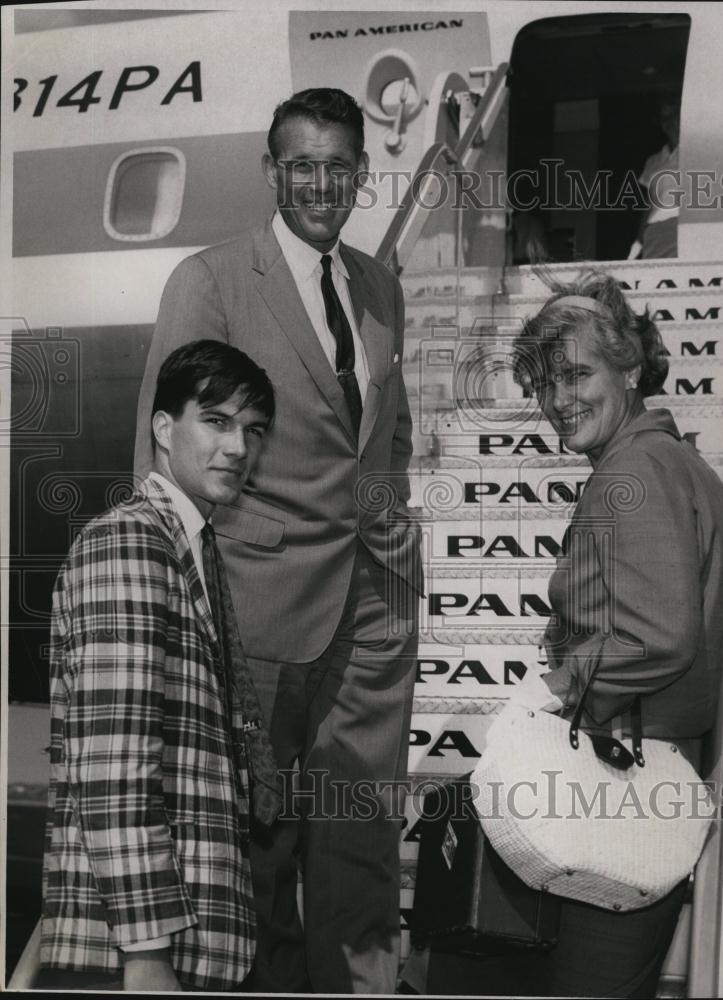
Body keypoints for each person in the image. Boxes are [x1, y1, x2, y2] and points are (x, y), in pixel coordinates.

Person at [415, 272, 723, 998]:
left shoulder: (633, 471)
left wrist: (549, 690)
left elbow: (654, 636)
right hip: (650, 793)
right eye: (545, 384)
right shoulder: (672, 463)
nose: (558, 400)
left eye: (577, 374)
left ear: (631, 368)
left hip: (615, 792)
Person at [133, 88, 421, 994]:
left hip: (370, 614)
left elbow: (387, 429)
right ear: (272, 171)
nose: (321, 183)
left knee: (361, 840)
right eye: (302, 164)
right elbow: (166, 453)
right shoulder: (212, 280)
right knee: (252, 847)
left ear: (360, 176)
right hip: (253, 610)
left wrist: (393, 524)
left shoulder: (379, 286)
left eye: (339, 166)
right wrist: (169, 604)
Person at [38, 340, 276, 992]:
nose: (237, 448)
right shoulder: (132, 542)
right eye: (217, 421)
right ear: (164, 428)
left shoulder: (193, 549)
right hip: (145, 956)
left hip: (194, 943)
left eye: (252, 431)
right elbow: (113, 764)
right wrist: (146, 954)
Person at [629, 98, 682, 260]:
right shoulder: (653, 161)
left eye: (673, 116)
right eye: (664, 118)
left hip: (680, 225)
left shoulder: (695, 153)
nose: (668, 122)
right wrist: (638, 240)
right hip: (654, 230)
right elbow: (649, 203)